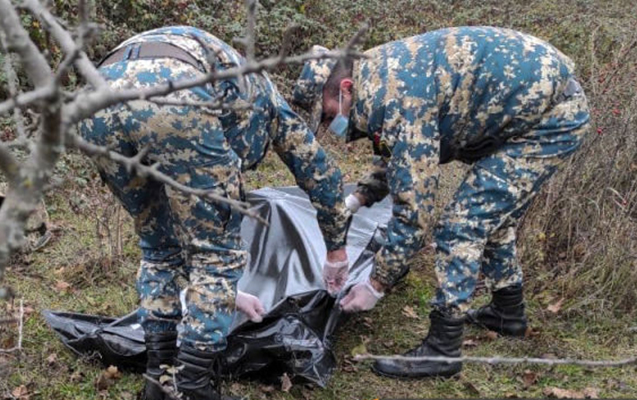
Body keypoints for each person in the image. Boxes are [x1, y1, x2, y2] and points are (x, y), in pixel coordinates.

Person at [293, 26, 590, 379]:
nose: (329, 127)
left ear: (345, 89)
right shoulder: (376, 76)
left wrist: (376, 284)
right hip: (526, 109)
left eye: (327, 116)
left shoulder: (394, 94)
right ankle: (507, 313)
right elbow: (397, 152)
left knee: (461, 226)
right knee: (491, 216)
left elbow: (415, 211)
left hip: (551, 119)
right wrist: (359, 198)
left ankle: (443, 349)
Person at [79, 26, 351, 400]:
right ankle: (193, 386)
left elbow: (180, 222)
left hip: (96, 94)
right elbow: (323, 178)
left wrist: (228, 293)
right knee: (217, 253)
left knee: (158, 246)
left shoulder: (239, 81)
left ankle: (158, 381)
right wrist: (336, 251)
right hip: (174, 92)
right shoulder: (272, 105)